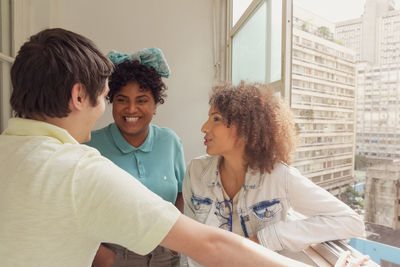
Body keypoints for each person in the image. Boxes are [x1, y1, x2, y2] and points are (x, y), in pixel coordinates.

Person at [0, 27, 315, 267]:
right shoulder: (79, 171)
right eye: (107, 96)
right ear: (79, 96)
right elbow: (213, 246)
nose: (107, 108)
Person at [182, 82, 367, 266]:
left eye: (216, 119)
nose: (204, 127)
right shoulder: (195, 171)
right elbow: (190, 240)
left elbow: (351, 222)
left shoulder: (279, 177)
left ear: (245, 127)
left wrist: (269, 237)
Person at [86, 48, 185, 267]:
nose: (131, 109)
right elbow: (77, 208)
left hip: (166, 256)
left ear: (155, 105)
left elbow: (181, 194)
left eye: (142, 100)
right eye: (122, 100)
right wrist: (102, 255)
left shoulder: (170, 142)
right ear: (112, 101)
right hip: (114, 256)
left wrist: (176, 241)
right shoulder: (91, 145)